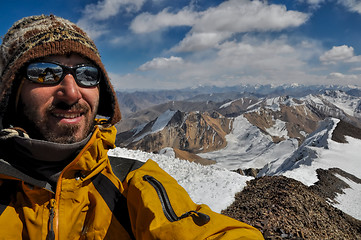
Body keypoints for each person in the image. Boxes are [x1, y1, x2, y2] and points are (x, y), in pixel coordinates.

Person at [0, 15, 264, 239]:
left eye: (87, 74)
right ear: (12, 93)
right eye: (45, 72)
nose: (71, 92)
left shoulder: (133, 184)